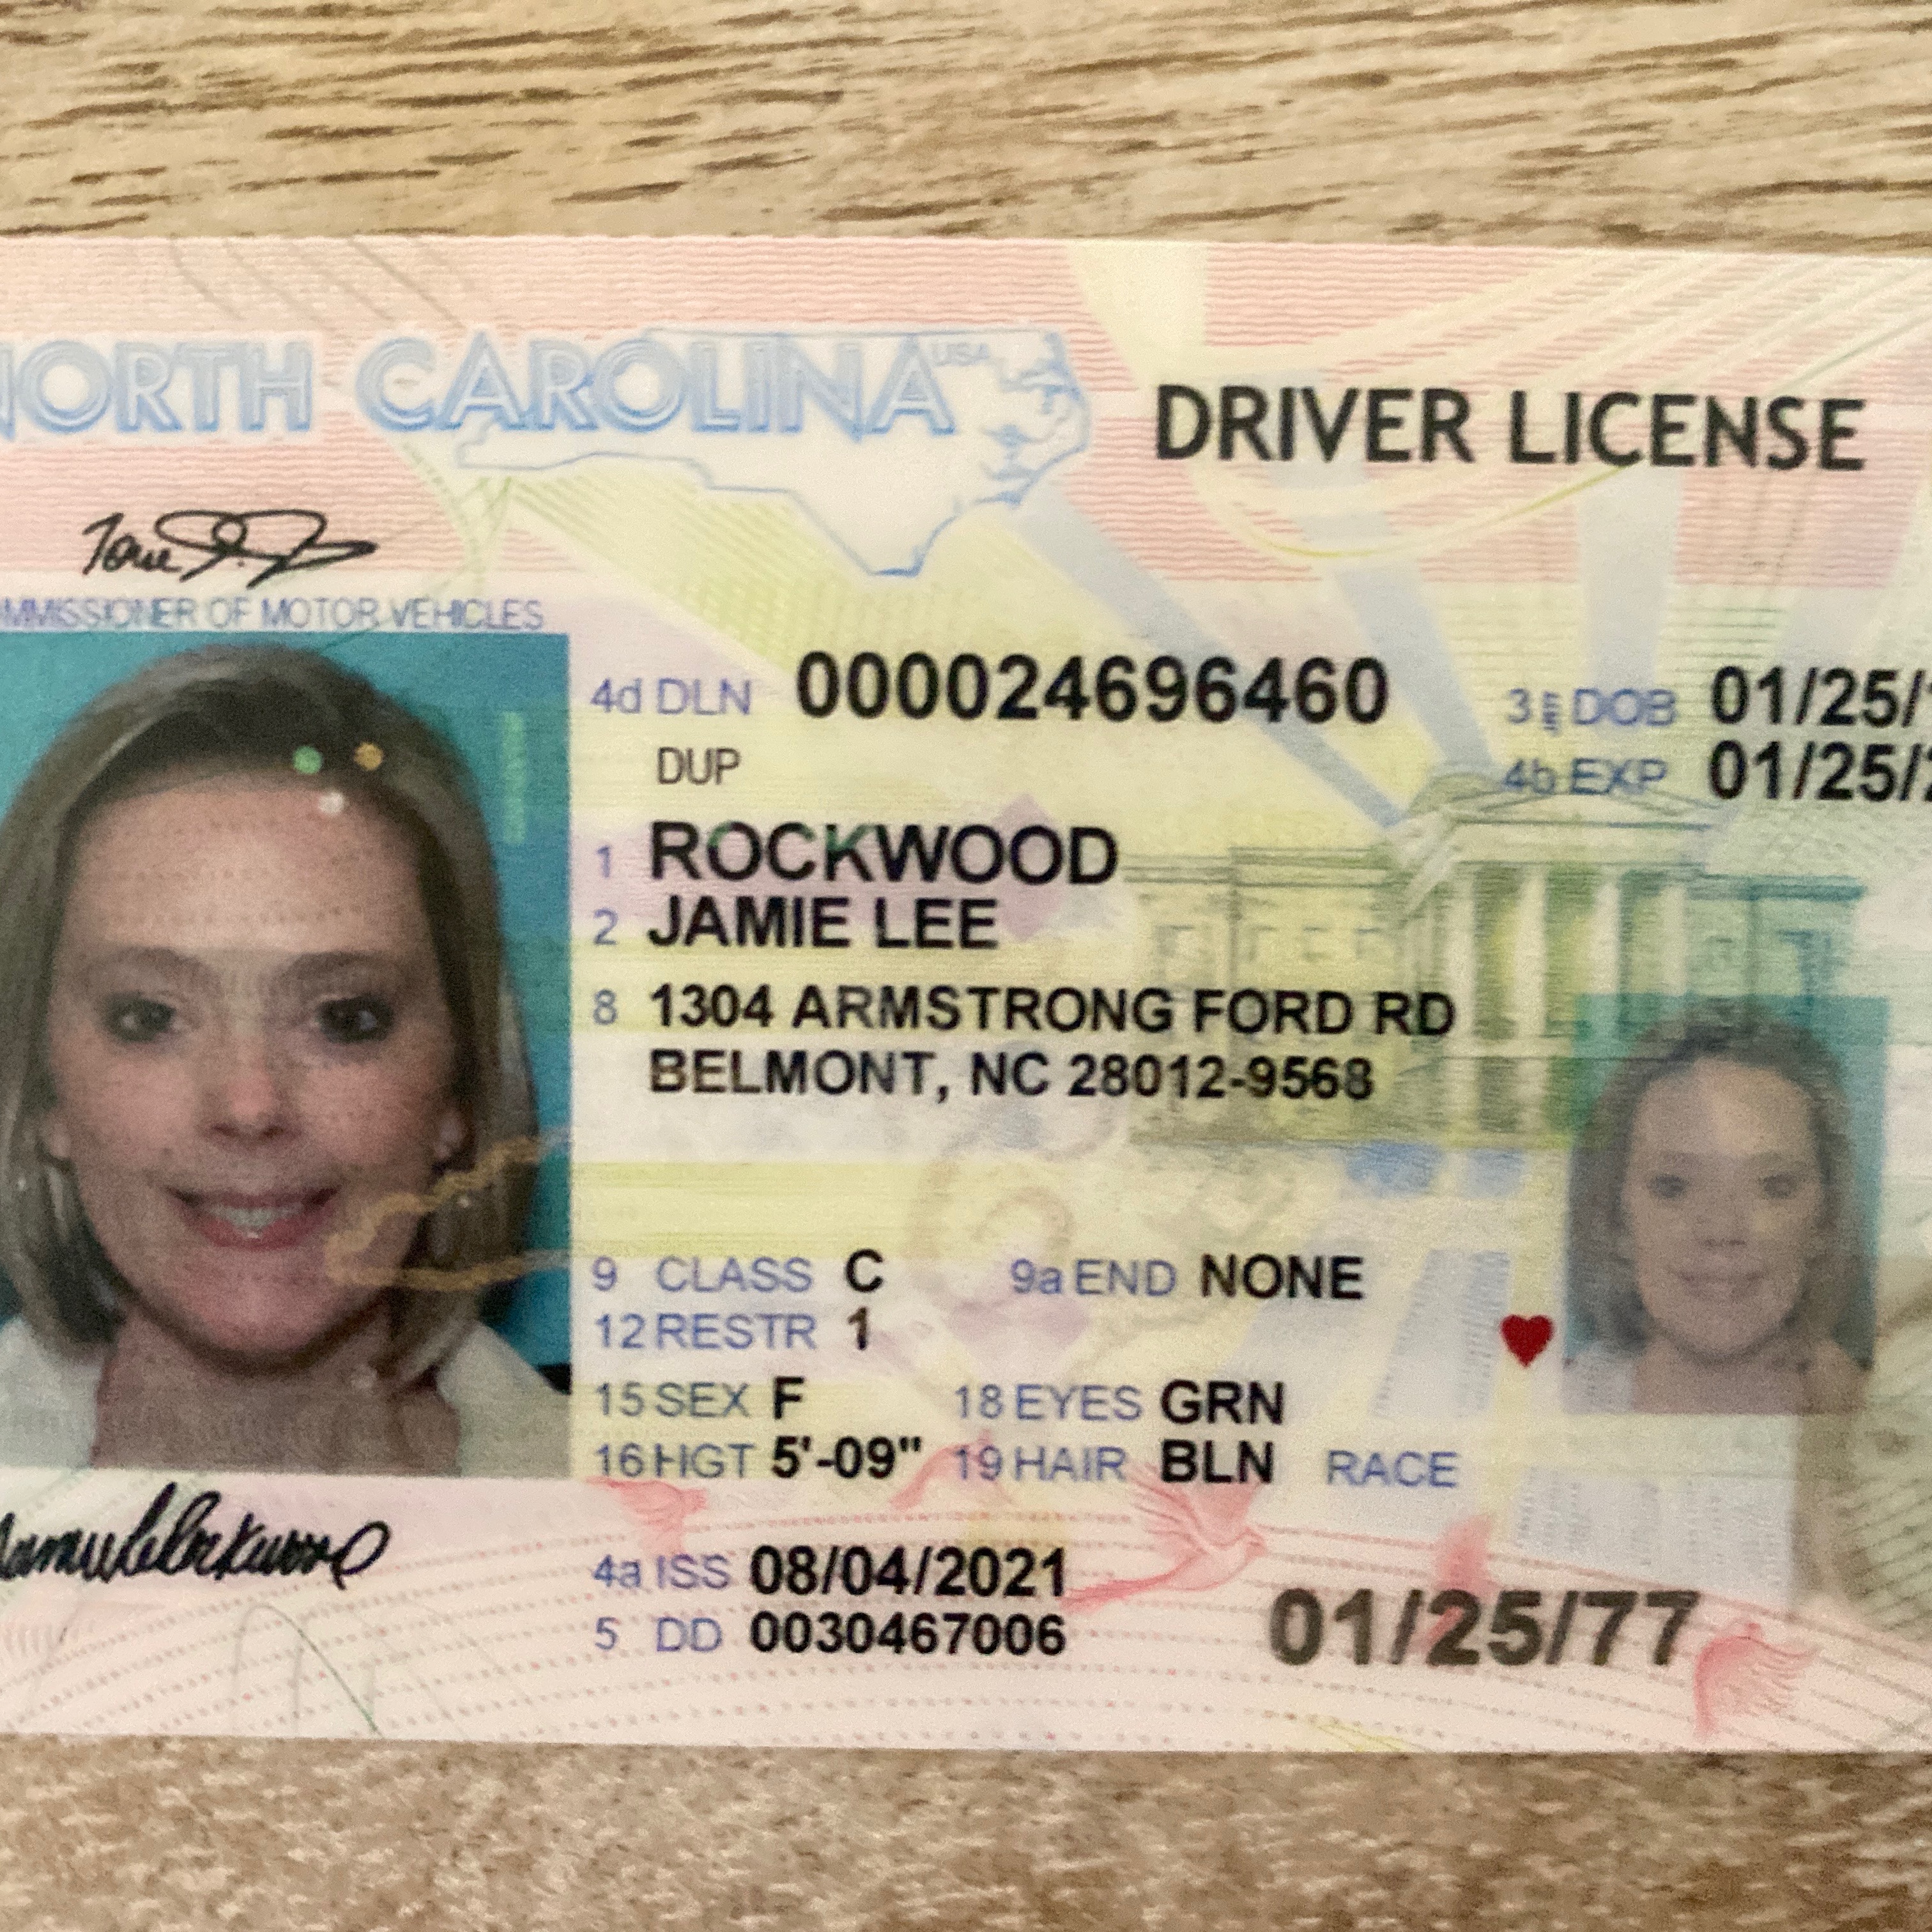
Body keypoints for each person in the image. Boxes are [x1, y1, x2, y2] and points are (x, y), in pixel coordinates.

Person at [0, 643, 568, 1476]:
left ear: (458, 1087)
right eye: (150, 1016)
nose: (251, 1104)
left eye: (344, 1018)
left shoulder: (664, 1499)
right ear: (46, 1088)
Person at [1564, 1003, 1867, 1416]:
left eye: (1773, 1187)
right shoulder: (1542, 1407)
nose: (1722, 1231)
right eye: (1673, 1187)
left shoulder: (1891, 1418)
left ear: (1825, 1222)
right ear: (1616, 1219)